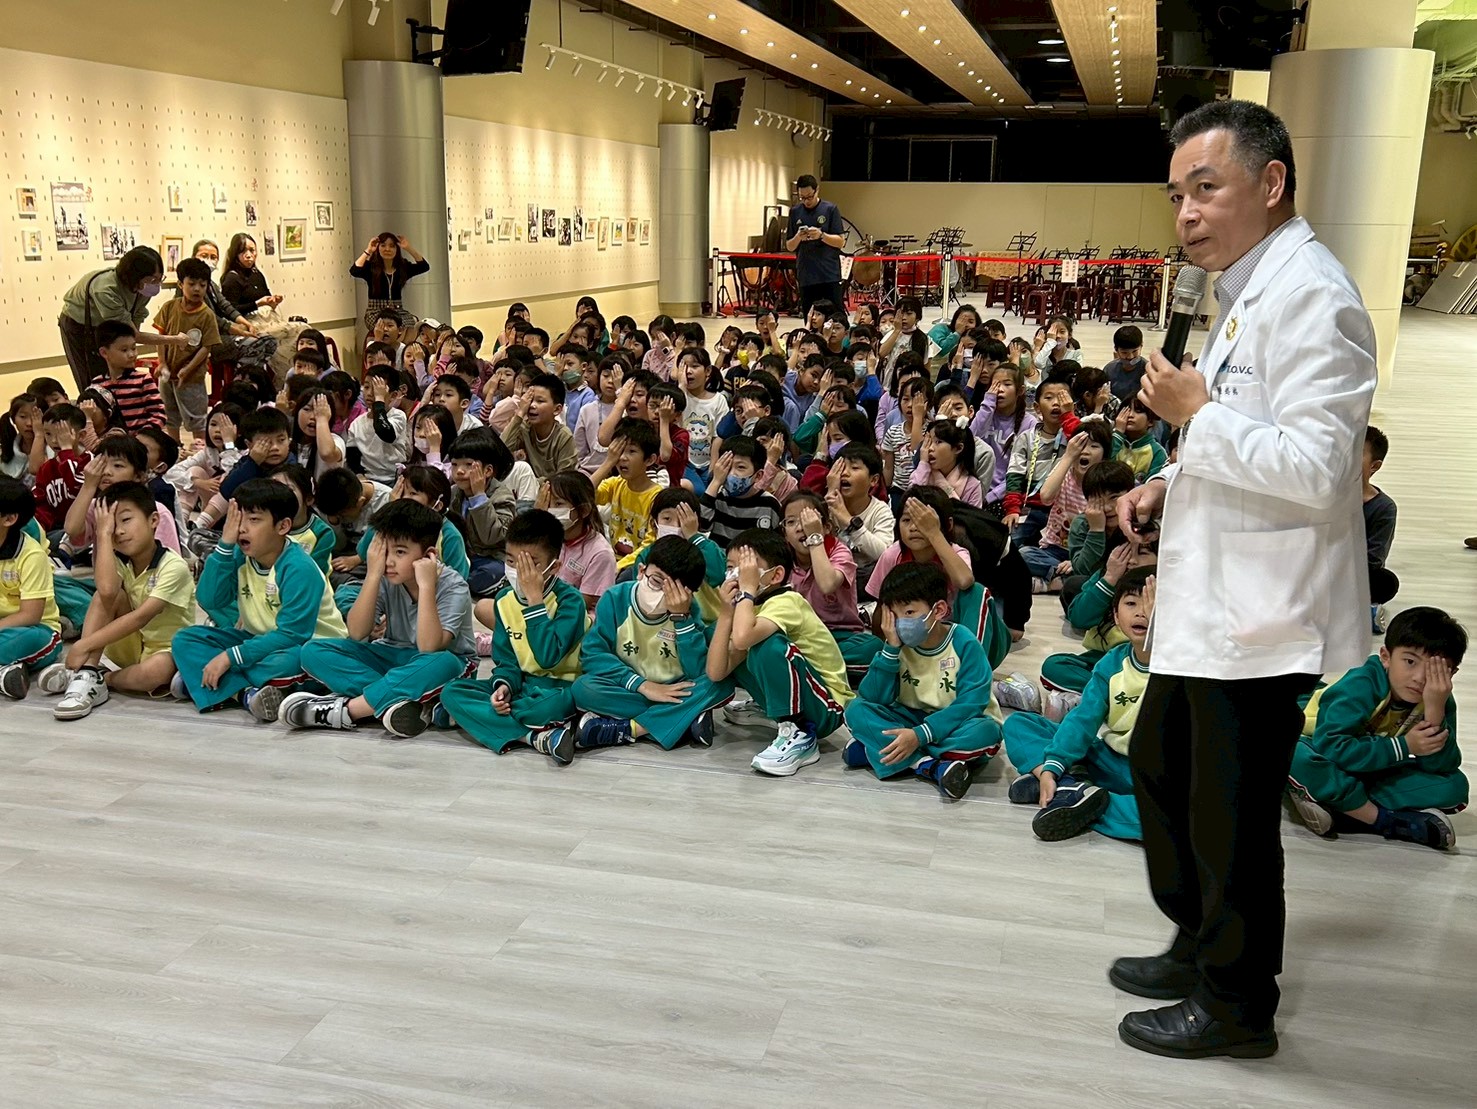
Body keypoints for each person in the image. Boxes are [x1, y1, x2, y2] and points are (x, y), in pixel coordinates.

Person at [1110, 100, 1377, 1061]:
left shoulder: (1315, 295)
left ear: (1269, 183)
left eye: (1205, 188)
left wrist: (1195, 415)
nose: (1185, 212)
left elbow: (1319, 467)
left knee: (1229, 814)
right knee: (1160, 764)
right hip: (1212, 602)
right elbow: (1244, 430)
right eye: (1176, 194)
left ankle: (1235, 1003)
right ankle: (1197, 940)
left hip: (1263, 614)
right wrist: (1168, 477)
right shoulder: (1246, 286)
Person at [284, 500, 477, 739]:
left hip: (442, 664)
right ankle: (401, 702)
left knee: (443, 662)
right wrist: (373, 575)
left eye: (400, 552)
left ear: (428, 554)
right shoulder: (386, 576)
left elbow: (429, 648)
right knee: (313, 651)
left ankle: (349, 710)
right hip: (392, 657)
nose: (388, 561)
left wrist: (426, 586)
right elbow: (357, 632)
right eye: (383, 551)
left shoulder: (453, 585)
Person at [1286, 606, 1465, 850]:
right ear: (1385, 656)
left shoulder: (1438, 697)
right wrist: (1404, 747)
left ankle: (1337, 803)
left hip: (1365, 762)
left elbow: (1442, 766)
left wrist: (1434, 713)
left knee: (1454, 786)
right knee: (1294, 755)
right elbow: (1332, 746)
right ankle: (1383, 820)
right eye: (1410, 661)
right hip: (1315, 742)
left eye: (1436, 669)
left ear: (1451, 673)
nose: (1419, 678)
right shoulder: (1362, 682)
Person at [171, 479, 349, 722]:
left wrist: (230, 657)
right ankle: (245, 694)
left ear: (283, 526)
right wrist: (224, 546)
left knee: (285, 662)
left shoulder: (298, 567)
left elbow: (293, 634)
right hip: (259, 639)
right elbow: (209, 599)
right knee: (186, 639)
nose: (242, 528)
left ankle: (209, 681)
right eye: (238, 518)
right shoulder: (239, 554)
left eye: (253, 520)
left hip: (312, 645)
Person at [1003, 568, 1156, 842]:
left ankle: (1081, 797)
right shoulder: (1112, 663)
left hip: (1156, 776)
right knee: (1018, 724)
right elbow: (1083, 719)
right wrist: (1053, 764)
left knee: (1177, 819)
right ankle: (1067, 785)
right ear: (1116, 615)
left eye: (1151, 604)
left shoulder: (1183, 669)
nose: (1141, 613)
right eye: (1131, 603)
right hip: (1109, 759)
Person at [843, 562, 1003, 800]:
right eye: (894, 615)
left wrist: (920, 735)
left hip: (960, 722)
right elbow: (873, 697)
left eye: (909, 613)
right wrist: (890, 650)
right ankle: (928, 765)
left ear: (938, 610)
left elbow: (971, 704)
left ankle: (880, 748)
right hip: (911, 718)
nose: (901, 622)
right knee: (855, 710)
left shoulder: (963, 642)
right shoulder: (897, 645)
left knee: (986, 733)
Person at [437, 510, 586, 762]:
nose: (520, 571)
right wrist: (504, 685)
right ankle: (535, 737)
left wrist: (535, 602)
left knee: (542, 708)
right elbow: (506, 661)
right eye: (511, 561)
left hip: (559, 687)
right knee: (452, 692)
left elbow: (548, 657)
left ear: (554, 567)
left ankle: (480, 720)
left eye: (531, 564)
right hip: (523, 686)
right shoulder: (504, 600)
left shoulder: (570, 601)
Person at [36, 482, 196, 718]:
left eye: (126, 520)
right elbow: (107, 591)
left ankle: (100, 678)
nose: (118, 531)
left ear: (153, 520)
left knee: (156, 672)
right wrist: (102, 534)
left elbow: (140, 617)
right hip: (130, 645)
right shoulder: (121, 560)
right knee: (105, 595)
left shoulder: (173, 566)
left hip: (166, 650)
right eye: (112, 524)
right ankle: (88, 671)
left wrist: (83, 644)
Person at [707, 528, 853, 776]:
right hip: (805, 693)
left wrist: (746, 592)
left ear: (775, 575)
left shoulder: (787, 601)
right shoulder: (749, 606)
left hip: (827, 706)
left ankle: (800, 732)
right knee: (719, 635)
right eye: (731, 567)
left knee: (766, 645)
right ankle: (773, 708)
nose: (737, 575)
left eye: (747, 567)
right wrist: (725, 613)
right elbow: (716, 672)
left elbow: (742, 638)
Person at [571, 535, 734, 751]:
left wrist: (682, 619)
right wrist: (643, 686)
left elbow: (697, 670)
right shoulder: (615, 598)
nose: (662, 594)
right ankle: (684, 719)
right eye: (656, 581)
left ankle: (632, 729)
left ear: (689, 595)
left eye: (675, 591)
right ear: (641, 571)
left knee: (720, 684)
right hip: (631, 687)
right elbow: (593, 654)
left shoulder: (689, 610)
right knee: (583, 689)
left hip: (675, 687)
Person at [781, 491, 880, 687]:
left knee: (872, 649)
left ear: (826, 527)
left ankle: (803, 671)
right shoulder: (782, 559)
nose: (800, 527)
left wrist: (814, 537)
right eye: (791, 522)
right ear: (784, 533)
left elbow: (827, 584)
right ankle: (819, 670)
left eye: (808, 519)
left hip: (839, 635)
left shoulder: (839, 551)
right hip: (800, 637)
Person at [58, 246, 189, 393]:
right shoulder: (106, 289)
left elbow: (132, 332)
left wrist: (130, 347)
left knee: (120, 376)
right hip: (78, 326)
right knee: (93, 379)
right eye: (153, 279)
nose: (156, 284)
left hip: (106, 325)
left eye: (160, 279)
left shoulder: (143, 288)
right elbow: (135, 335)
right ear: (134, 276)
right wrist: (175, 340)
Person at [0, 478, 64, 699]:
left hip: (37, 631)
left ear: (9, 519)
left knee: (13, 641)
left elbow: (30, 615)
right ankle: (5, 675)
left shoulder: (31, 555)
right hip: (4, 628)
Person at [153, 257, 222, 443]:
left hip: (192, 378)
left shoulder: (207, 315)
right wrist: (162, 363)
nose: (197, 289)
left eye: (202, 285)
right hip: (168, 376)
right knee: (169, 416)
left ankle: (200, 450)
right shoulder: (169, 307)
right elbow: (161, 337)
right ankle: (174, 447)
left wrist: (188, 369)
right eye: (191, 284)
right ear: (180, 284)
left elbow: (206, 347)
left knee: (196, 419)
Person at [446, 427, 515, 597]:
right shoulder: (454, 493)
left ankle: (459, 582)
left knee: (492, 573)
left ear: (487, 471)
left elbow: (491, 537)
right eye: (454, 465)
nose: (459, 471)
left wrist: (478, 496)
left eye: (469, 465)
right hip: (465, 555)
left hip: (492, 558)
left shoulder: (502, 496)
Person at [700, 436, 783, 549]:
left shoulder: (770, 504)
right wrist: (716, 481)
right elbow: (701, 525)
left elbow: (777, 545)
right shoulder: (716, 497)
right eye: (727, 466)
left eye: (740, 467)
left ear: (758, 476)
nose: (732, 474)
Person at [88, 320, 167, 434]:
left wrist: (144, 436)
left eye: (134, 348)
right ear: (104, 353)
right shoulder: (97, 385)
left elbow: (159, 414)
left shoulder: (143, 379)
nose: (132, 354)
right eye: (124, 350)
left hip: (141, 442)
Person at [785, 174, 846, 318]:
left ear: (817, 190)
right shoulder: (795, 212)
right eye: (802, 198)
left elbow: (840, 242)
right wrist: (798, 237)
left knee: (835, 317)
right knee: (810, 317)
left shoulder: (830, 209)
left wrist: (821, 235)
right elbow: (789, 246)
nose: (806, 201)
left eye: (809, 197)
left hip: (829, 274)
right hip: (806, 275)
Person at [501, 372, 577, 479]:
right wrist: (520, 413)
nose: (532, 405)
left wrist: (535, 482)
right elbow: (501, 450)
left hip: (553, 488)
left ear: (557, 409)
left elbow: (564, 480)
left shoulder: (563, 436)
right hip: (529, 485)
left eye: (540, 401)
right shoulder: (525, 428)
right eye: (530, 400)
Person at [350, 232, 429, 332]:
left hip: (397, 311)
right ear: (378, 248)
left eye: (392, 246)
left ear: (397, 249)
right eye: (383, 245)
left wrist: (408, 248)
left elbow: (424, 266)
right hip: (376, 312)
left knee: (412, 324)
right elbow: (354, 270)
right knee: (390, 327)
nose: (387, 249)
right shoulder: (371, 267)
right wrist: (368, 250)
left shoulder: (402, 267)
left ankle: (399, 342)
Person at [1362, 426, 1399, 630]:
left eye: (1356, 453)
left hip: (1351, 571)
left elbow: (1374, 558)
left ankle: (1367, 606)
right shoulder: (1324, 495)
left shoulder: (1383, 507)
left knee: (1385, 582)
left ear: (1374, 466)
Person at [1105, 325, 1147, 404]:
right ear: (1116, 350)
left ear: (1141, 346)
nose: (1130, 357)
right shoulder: (1109, 369)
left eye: (1135, 351)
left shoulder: (1147, 370)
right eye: (1124, 353)